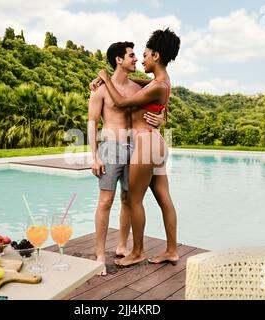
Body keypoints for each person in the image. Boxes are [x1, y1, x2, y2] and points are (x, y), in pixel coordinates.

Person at [97, 28, 181, 267]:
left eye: (144, 55)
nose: (141, 60)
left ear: (156, 55)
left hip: (144, 143)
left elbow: (121, 101)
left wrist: (104, 78)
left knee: (134, 199)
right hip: (155, 141)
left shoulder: (157, 86)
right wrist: (113, 79)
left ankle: (137, 252)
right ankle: (172, 250)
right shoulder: (161, 82)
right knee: (164, 197)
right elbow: (135, 83)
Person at [88, 42, 164, 275]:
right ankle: (100, 254)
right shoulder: (99, 89)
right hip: (111, 147)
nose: (136, 60)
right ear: (118, 60)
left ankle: (122, 245)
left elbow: (162, 98)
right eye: (131, 55)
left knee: (129, 199)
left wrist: (162, 119)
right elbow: (92, 122)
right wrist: (94, 156)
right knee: (105, 201)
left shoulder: (137, 88)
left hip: (136, 148)